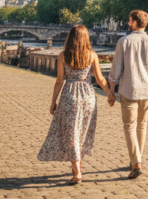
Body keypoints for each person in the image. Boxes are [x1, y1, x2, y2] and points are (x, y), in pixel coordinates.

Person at [38, 25, 114, 184]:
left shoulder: (63, 56)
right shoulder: (92, 55)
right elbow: (100, 79)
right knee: (82, 131)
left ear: (70, 37)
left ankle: (77, 171)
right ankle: (77, 166)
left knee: (71, 133)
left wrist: (53, 101)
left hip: (70, 96)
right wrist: (109, 94)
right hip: (88, 96)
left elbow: (59, 81)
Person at [108, 10, 148, 180]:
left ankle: (136, 163)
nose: (128, 23)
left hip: (129, 90)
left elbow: (115, 70)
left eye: (129, 20)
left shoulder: (124, 41)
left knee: (129, 126)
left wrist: (111, 91)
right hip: (147, 91)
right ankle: (136, 159)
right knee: (142, 126)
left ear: (132, 22)